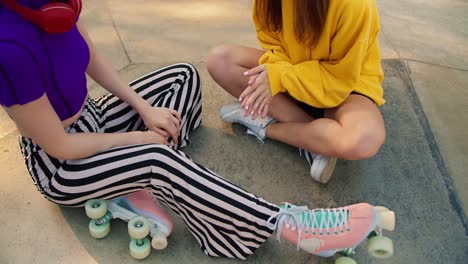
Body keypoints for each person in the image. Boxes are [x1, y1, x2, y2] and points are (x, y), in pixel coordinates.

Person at [0, 0, 393, 260]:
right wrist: (139, 139)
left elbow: (92, 58)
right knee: (155, 157)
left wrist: (143, 109)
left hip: (95, 119)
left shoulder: (56, 6)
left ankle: (141, 177)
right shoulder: (8, 49)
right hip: (62, 165)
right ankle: (291, 225)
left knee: (183, 78)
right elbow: (60, 145)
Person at [207, 0, 386, 184]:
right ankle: (315, 139)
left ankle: (266, 126)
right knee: (219, 61)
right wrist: (278, 75)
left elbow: (341, 77)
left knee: (363, 140)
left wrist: (282, 77)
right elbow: (273, 46)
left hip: (345, 90)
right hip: (290, 75)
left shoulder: (354, 5)